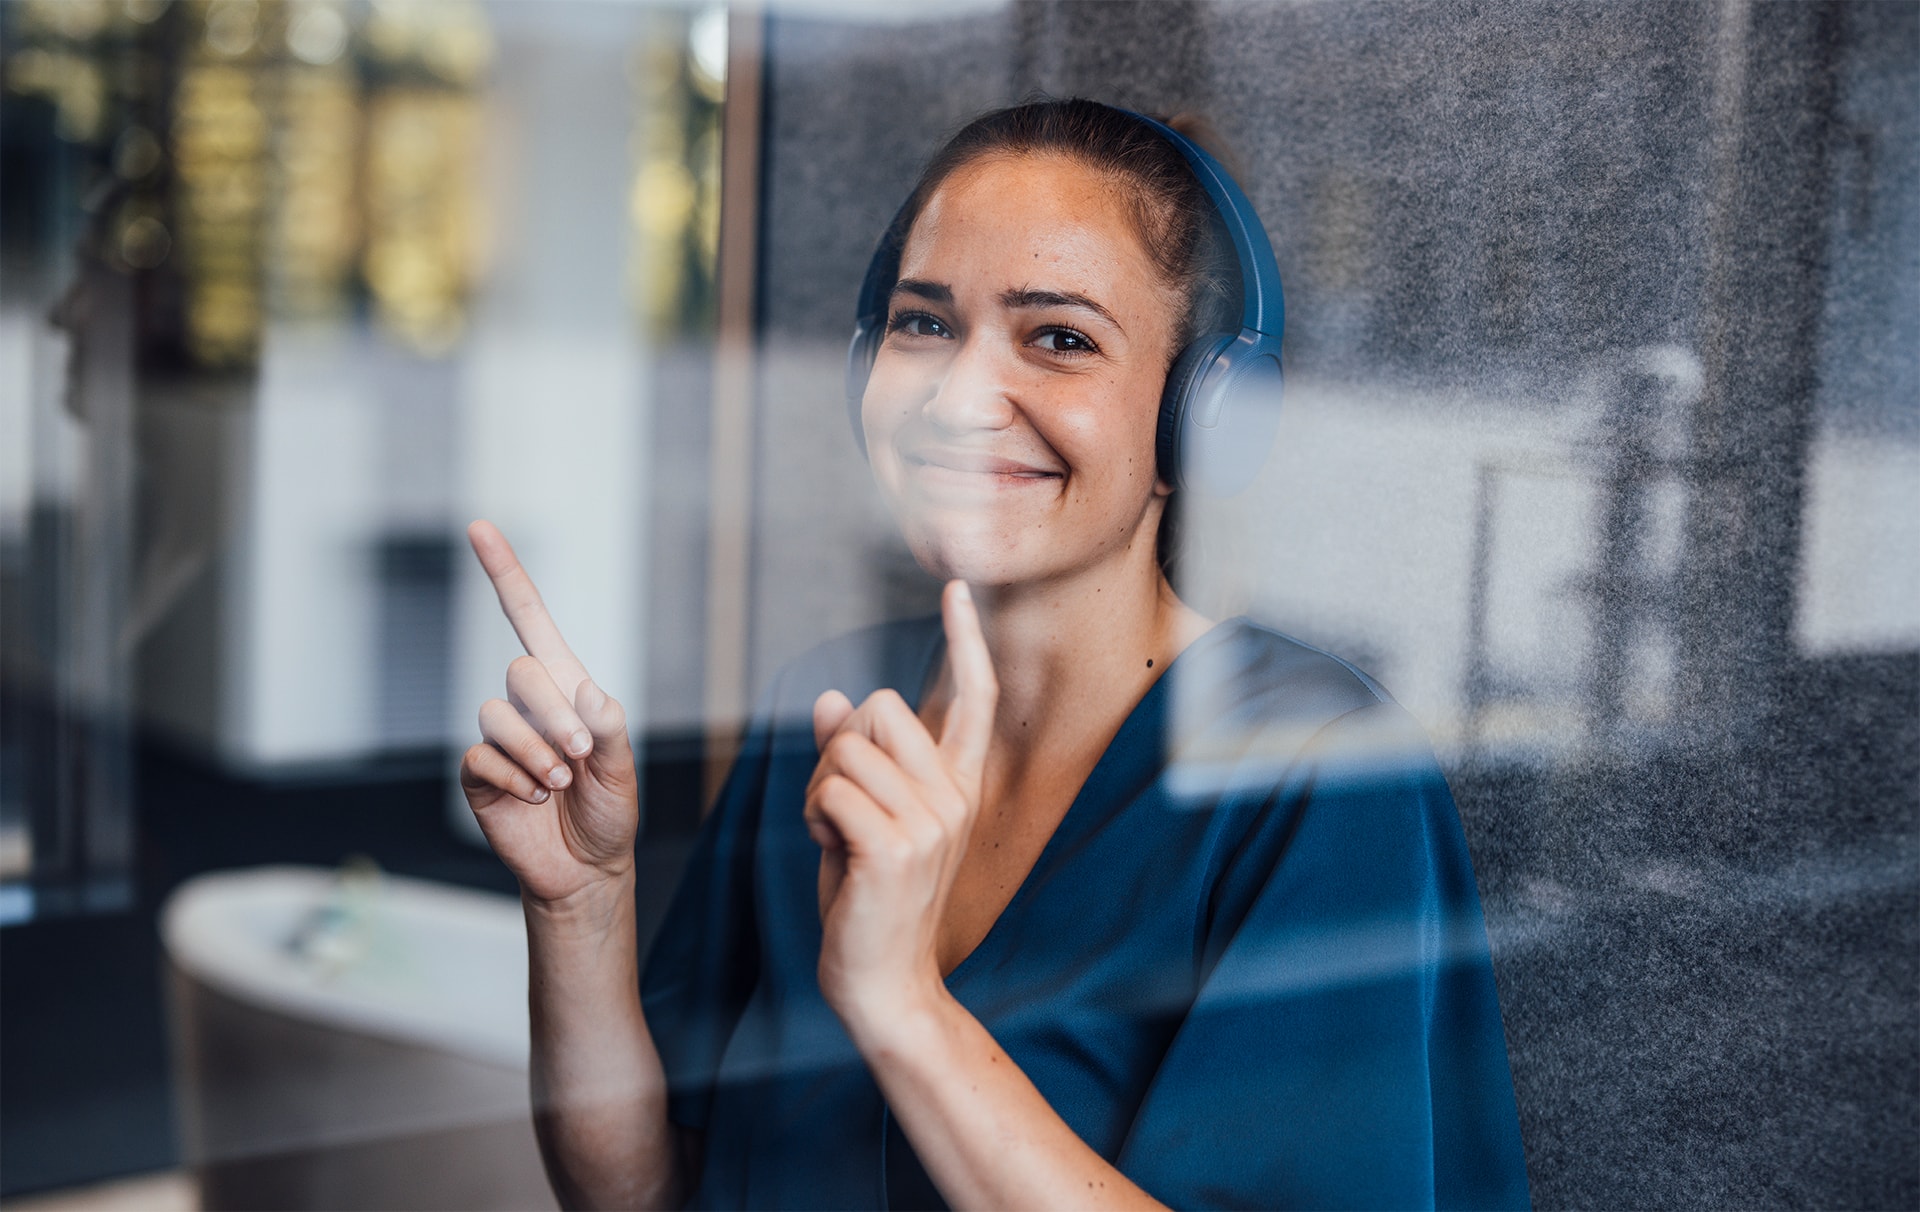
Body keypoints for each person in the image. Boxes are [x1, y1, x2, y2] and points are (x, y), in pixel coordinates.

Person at [459, 99, 1530, 1210]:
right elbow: (646, 1196)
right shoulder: (826, 712)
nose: (959, 399)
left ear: (1203, 416)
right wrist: (580, 909)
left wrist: (902, 1004)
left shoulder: (1312, 769)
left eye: (1059, 338)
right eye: (924, 324)